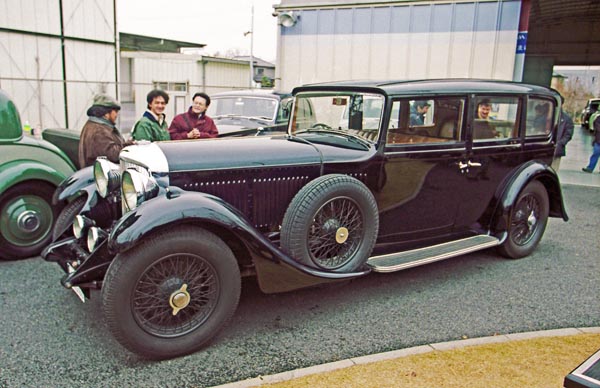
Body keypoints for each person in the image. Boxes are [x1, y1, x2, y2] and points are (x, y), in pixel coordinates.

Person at [78, 94, 134, 168]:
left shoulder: (94, 125)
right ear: (106, 114)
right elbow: (113, 155)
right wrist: (131, 147)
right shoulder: (99, 131)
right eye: (115, 111)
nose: (117, 115)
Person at [552, 99, 574, 171]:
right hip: (543, 148)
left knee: (554, 169)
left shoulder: (566, 119)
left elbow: (568, 134)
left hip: (557, 148)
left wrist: (561, 143)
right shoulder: (546, 115)